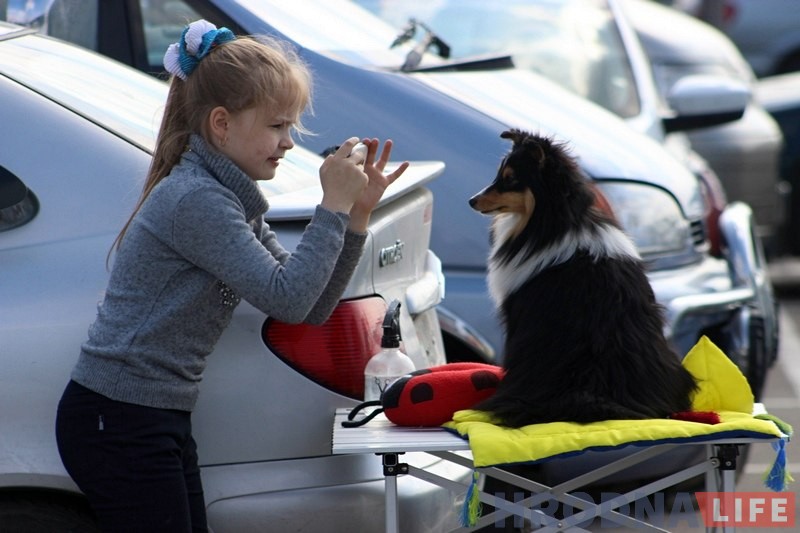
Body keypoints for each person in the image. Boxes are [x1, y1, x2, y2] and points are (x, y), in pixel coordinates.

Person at [54, 19, 409, 533]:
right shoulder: (196, 199)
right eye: (276, 125)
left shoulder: (229, 199)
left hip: (152, 416)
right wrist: (330, 205)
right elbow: (287, 300)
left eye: (291, 127)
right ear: (221, 124)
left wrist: (354, 218)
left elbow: (308, 306)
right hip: (119, 418)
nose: (288, 142)